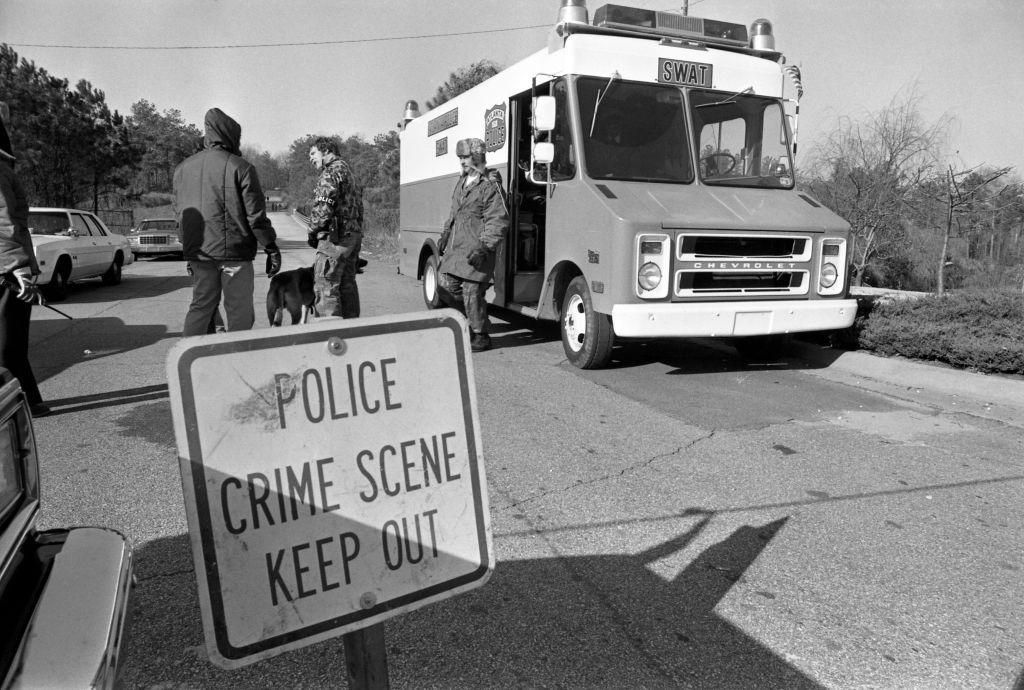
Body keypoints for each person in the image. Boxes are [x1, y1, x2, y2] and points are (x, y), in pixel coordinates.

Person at [173, 108, 280, 336]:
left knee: (201, 306)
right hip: (235, 253)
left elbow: (180, 214)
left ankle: (192, 361)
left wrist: (188, 246)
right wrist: (270, 246)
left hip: (200, 253)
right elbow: (255, 216)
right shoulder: (241, 167)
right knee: (238, 310)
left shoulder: (182, 169)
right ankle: (236, 362)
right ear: (230, 135)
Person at [437, 138, 509, 352]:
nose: (462, 161)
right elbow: (454, 212)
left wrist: (485, 248)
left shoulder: (490, 185)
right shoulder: (462, 181)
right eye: (460, 158)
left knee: (471, 292)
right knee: (445, 285)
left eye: (466, 157)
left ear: (477, 156)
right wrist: (445, 233)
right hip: (457, 248)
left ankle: (481, 335)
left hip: (478, 251)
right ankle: (473, 321)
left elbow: (498, 219)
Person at [0, 102, 49, 416]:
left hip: (6, 270)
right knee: (11, 348)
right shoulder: (3, 169)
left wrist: (17, 267)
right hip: (9, 267)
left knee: (8, 349)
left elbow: (4, 221)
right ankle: (30, 403)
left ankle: (21, 408)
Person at [306, 137, 363, 319]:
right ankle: (353, 332)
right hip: (352, 237)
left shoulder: (330, 173)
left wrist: (313, 232)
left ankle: (331, 336)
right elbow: (358, 208)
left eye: (313, 153)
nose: (310, 158)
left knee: (326, 285)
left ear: (326, 151)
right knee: (347, 285)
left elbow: (323, 209)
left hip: (335, 239)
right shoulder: (348, 172)